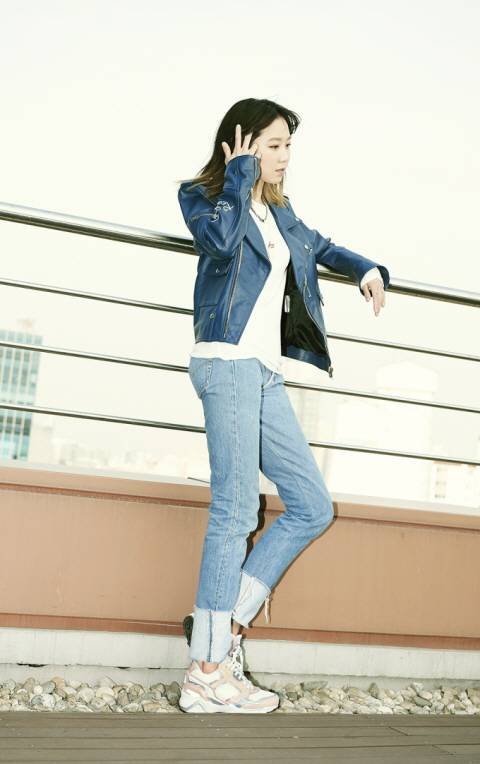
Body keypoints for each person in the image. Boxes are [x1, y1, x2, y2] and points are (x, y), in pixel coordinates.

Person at [176, 98, 389, 713]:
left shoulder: (280, 212)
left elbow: (320, 246)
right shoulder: (203, 196)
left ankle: (224, 629)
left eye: (288, 146)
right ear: (241, 145)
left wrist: (367, 268)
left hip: (264, 374)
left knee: (312, 505)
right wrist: (239, 176)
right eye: (273, 145)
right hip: (226, 362)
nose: (285, 157)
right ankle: (206, 673)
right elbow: (219, 244)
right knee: (235, 510)